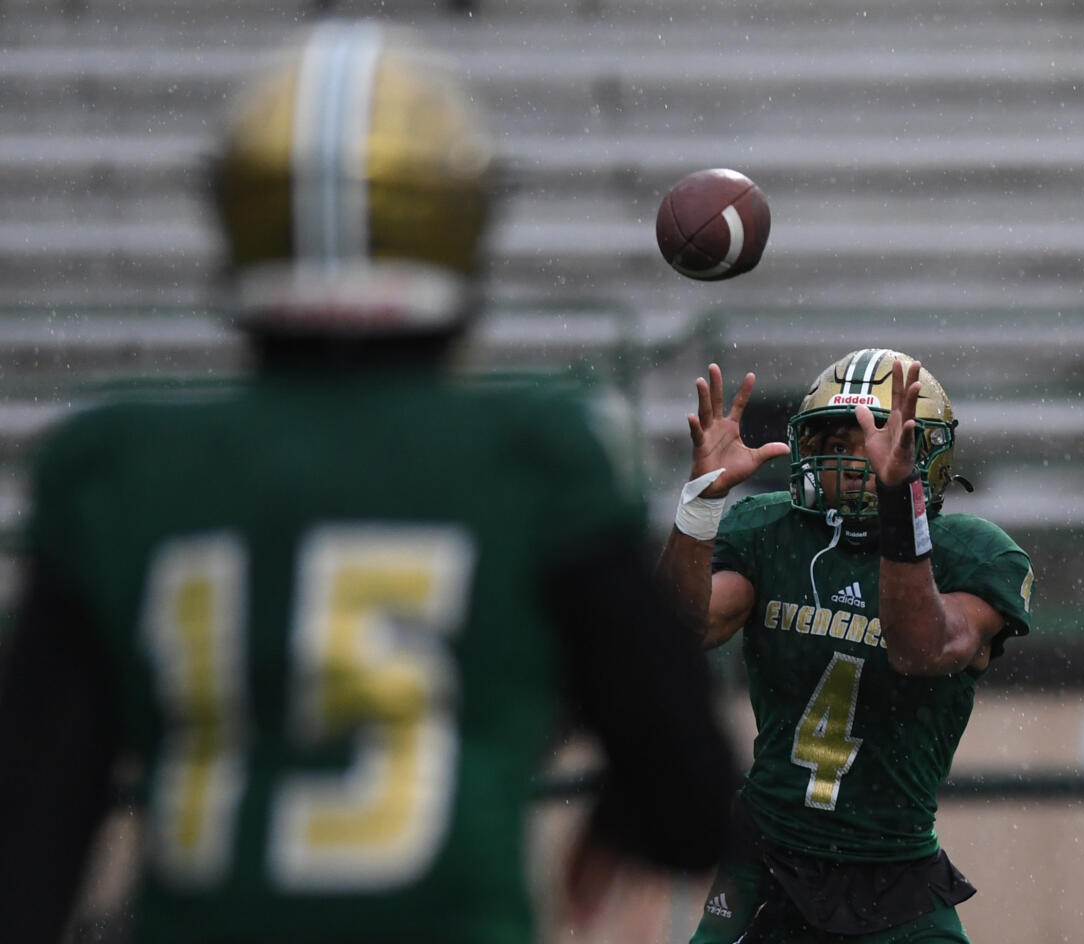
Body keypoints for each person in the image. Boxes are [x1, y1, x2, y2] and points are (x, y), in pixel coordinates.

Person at [0, 20, 735, 944]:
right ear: (457, 219)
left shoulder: (111, 466)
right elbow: (691, 801)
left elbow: (29, 845)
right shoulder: (530, 457)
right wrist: (612, 821)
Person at [658, 350, 1035, 943]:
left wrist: (897, 504)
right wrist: (701, 501)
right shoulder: (769, 531)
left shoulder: (972, 553)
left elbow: (921, 649)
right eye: (833, 438)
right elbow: (681, 633)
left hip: (894, 872)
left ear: (925, 451)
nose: (851, 457)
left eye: (871, 438)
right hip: (767, 855)